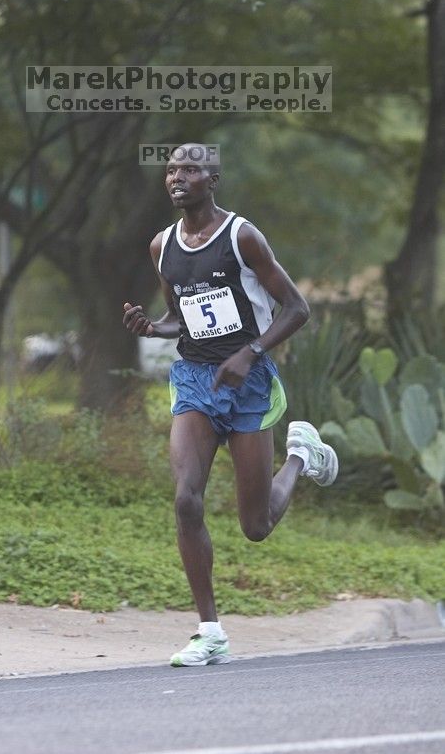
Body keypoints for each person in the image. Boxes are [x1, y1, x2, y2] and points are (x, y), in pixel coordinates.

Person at [122, 143, 338, 667]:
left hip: (248, 381)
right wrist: (154, 326)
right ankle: (210, 631)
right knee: (185, 499)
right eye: (171, 169)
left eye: (190, 169)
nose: (177, 177)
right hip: (195, 378)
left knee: (256, 525)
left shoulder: (242, 237)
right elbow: (182, 317)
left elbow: (297, 307)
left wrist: (251, 352)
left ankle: (301, 457)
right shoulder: (161, 247)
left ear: (212, 179)